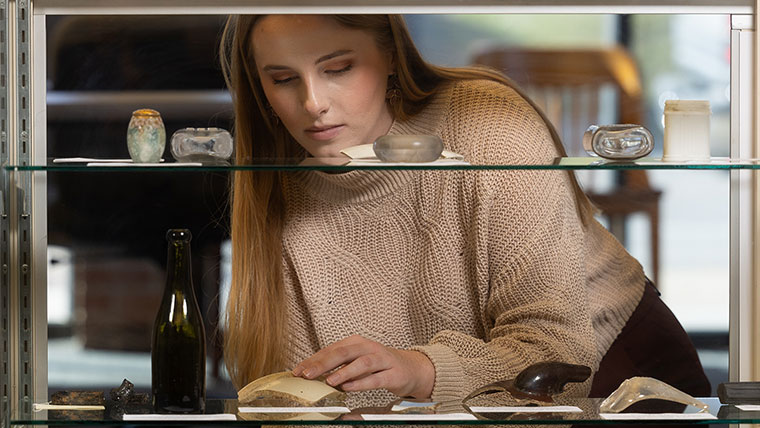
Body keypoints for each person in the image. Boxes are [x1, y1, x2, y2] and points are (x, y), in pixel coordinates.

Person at [219, 14, 710, 407]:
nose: (312, 103)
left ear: (390, 54)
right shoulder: (271, 177)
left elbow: (555, 349)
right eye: (282, 79)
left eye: (339, 68)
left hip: (612, 372)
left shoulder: (486, 122)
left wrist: (422, 370)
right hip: (437, 408)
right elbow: (299, 387)